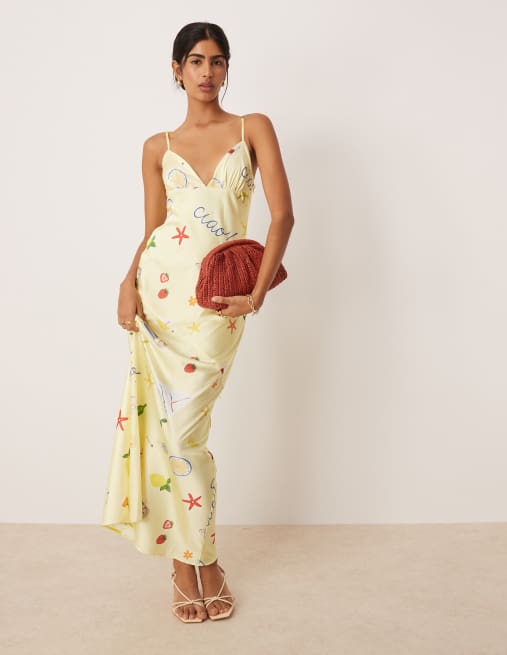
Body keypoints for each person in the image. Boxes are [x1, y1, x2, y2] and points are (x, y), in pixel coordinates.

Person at [100, 21, 294, 623]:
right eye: (196, 61)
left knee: (184, 433)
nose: (208, 72)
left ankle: (197, 556)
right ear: (177, 70)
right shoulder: (156, 146)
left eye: (217, 61)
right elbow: (154, 228)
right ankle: (193, 564)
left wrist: (255, 296)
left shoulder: (253, 128)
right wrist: (128, 281)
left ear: (227, 68)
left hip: (218, 302)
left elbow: (282, 218)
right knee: (172, 435)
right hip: (160, 297)